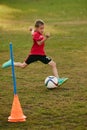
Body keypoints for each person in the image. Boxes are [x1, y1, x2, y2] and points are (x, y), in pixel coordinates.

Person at [2, 20, 68, 86]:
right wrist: (46, 37)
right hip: (36, 54)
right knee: (52, 64)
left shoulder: (36, 33)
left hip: (39, 54)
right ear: (37, 28)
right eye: (41, 28)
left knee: (24, 65)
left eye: (43, 28)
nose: (42, 30)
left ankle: (11, 63)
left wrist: (31, 30)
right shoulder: (37, 34)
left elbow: (32, 33)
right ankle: (58, 80)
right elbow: (39, 43)